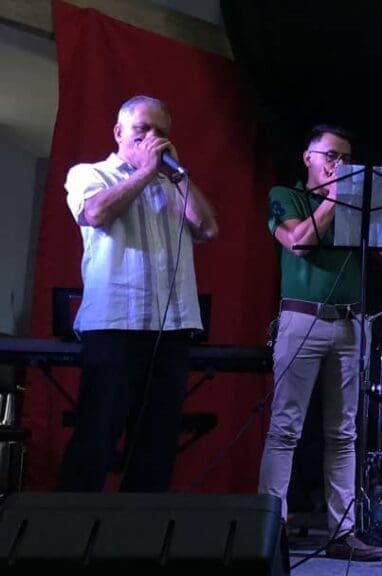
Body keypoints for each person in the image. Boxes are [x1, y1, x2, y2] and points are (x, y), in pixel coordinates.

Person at [59, 95, 219, 492]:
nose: (152, 139)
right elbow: (95, 213)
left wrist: (177, 177)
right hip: (115, 326)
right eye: (142, 129)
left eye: (160, 132)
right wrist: (146, 173)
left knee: (155, 447)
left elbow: (208, 229)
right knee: (96, 437)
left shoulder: (173, 185)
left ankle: (138, 529)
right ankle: (68, 527)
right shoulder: (90, 173)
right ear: (118, 132)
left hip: (171, 329)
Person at [258, 124, 382, 561]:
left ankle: (342, 532)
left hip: (351, 323)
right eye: (331, 155)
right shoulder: (285, 196)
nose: (339, 164)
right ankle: (269, 528)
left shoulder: (352, 203)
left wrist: (372, 211)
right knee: (285, 428)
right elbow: (299, 243)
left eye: (346, 158)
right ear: (308, 157)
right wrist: (334, 198)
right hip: (302, 320)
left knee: (344, 433)